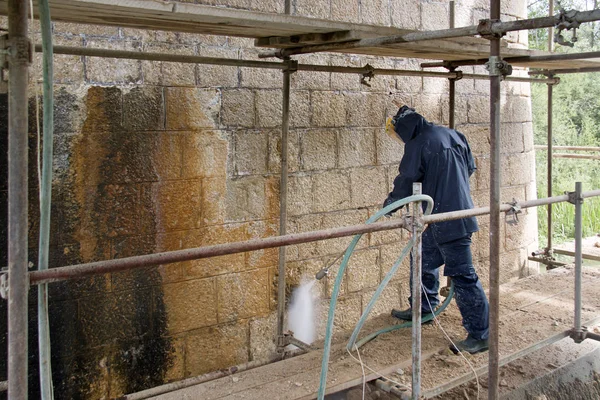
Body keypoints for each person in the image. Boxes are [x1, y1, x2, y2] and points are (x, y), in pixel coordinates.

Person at [383, 105, 489, 354]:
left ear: (405, 129)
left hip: (446, 220)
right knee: (421, 258)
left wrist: (390, 204)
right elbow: (470, 168)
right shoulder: (453, 134)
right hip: (454, 213)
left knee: (463, 275)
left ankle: (480, 335)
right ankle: (424, 307)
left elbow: (407, 180)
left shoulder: (418, 143)